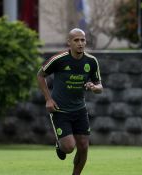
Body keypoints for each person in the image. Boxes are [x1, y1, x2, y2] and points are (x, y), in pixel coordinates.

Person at [37, 28, 103, 175]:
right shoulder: (59, 59)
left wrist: (93, 87)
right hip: (60, 110)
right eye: (76, 40)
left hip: (80, 110)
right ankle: (60, 145)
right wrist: (48, 99)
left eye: (83, 40)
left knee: (84, 146)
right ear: (69, 42)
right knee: (68, 147)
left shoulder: (91, 61)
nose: (80, 43)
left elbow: (100, 86)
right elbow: (40, 75)